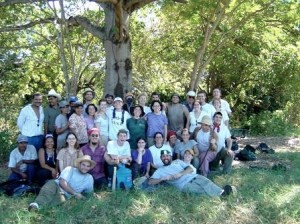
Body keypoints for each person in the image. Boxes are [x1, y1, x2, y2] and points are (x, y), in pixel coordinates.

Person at [148, 150, 236, 197]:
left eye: (167, 156)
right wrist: (161, 179)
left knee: (207, 183)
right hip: (184, 184)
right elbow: (150, 182)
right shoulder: (160, 170)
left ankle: (222, 192)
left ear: (170, 156)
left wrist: (180, 174)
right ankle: (223, 195)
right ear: (161, 158)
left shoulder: (177, 161)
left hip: (193, 176)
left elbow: (190, 168)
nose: (165, 158)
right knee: (200, 191)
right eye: (163, 157)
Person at [28, 155, 95, 211]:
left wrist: (92, 196)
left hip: (65, 195)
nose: (85, 167)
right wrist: (75, 193)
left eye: (87, 166)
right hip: (56, 185)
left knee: (55, 202)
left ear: (89, 167)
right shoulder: (70, 169)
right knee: (49, 190)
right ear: (79, 164)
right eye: (83, 165)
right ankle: (36, 205)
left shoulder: (89, 178)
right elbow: (62, 183)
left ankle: (40, 207)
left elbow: (88, 194)